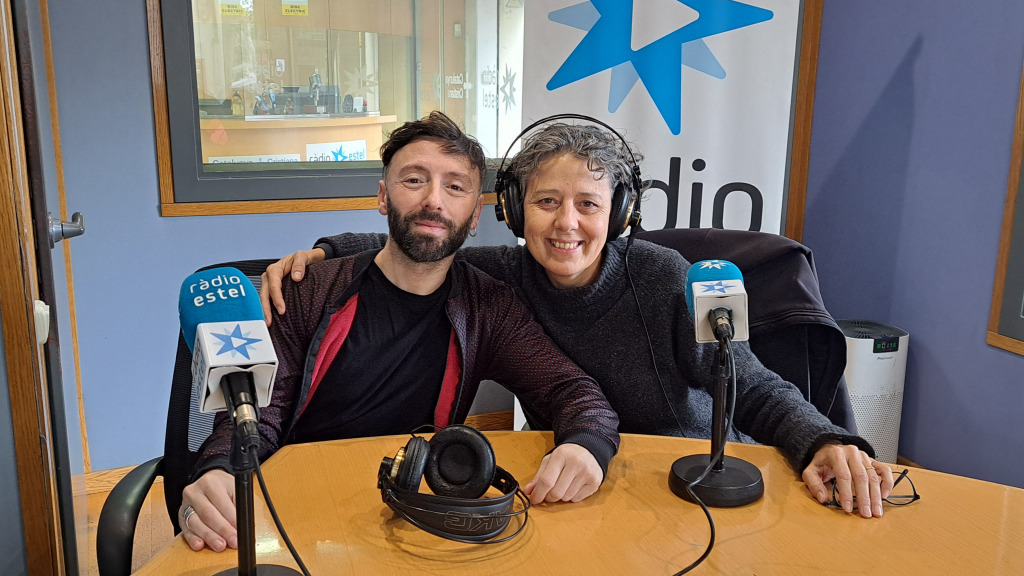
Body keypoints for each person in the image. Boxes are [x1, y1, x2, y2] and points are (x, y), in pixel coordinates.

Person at [262, 120, 897, 520]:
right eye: (546, 201)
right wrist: (324, 253)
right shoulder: (506, 276)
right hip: (584, 484)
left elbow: (749, 381)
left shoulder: (664, 277)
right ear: (516, 212)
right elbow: (423, 242)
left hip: (692, 482)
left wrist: (822, 440)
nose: (566, 223)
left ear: (617, 214)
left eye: (588, 204)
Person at [180, 112, 621, 553]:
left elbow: (572, 389)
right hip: (301, 503)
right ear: (383, 197)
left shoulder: (488, 308)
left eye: (455, 187)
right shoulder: (305, 291)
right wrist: (219, 469)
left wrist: (587, 446)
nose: (433, 200)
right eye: (414, 180)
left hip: (409, 512)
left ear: (473, 217)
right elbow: (255, 414)